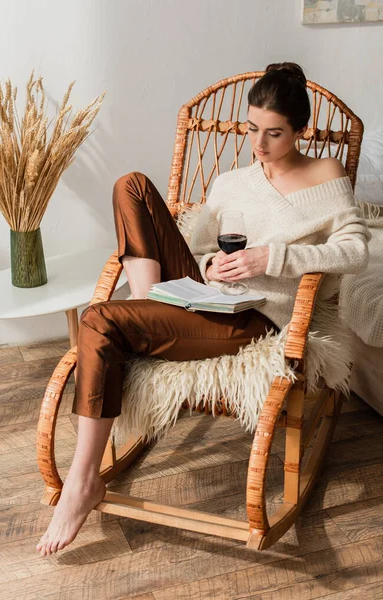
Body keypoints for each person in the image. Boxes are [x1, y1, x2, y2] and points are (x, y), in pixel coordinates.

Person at [36, 62, 370, 556]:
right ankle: (153, 307)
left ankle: (83, 480)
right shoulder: (232, 181)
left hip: (257, 318)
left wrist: (271, 256)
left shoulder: (326, 174)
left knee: (99, 319)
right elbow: (196, 244)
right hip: (208, 294)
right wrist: (211, 264)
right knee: (131, 185)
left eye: (274, 134)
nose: (259, 145)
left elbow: (355, 250)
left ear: (300, 131)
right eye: (252, 129)